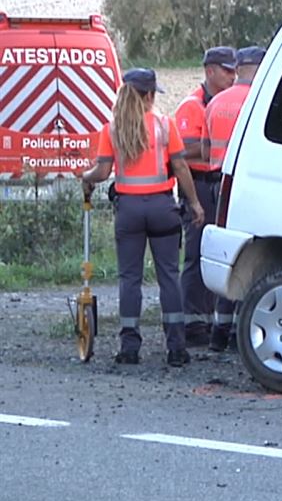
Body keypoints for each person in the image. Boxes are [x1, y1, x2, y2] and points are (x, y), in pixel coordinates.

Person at [81, 68, 205, 367]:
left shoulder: (112, 129)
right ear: (149, 95)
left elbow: (100, 172)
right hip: (163, 209)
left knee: (130, 279)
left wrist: (85, 178)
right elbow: (181, 168)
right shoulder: (165, 125)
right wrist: (195, 203)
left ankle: (129, 347)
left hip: (129, 212)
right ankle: (176, 347)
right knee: (169, 278)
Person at [202, 45, 264, 352]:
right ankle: (242, 334)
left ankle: (218, 333)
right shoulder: (259, 102)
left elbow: (204, 151)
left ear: (238, 68)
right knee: (251, 259)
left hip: (216, 186)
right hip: (248, 189)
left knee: (226, 258)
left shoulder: (215, 103)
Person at [176, 46, 236, 347]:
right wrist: (214, 146)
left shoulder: (225, 101)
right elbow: (181, 153)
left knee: (217, 255)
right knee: (197, 254)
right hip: (197, 184)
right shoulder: (192, 106)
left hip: (218, 183)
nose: (232, 75)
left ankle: (211, 320)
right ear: (209, 70)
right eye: (226, 70)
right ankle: (193, 325)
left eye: (234, 70)